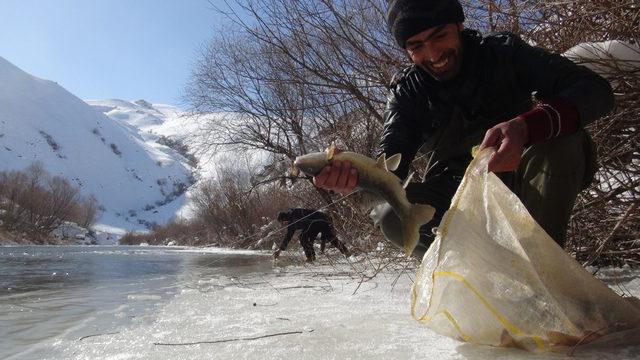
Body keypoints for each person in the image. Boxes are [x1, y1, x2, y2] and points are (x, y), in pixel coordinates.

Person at [313, 0, 613, 258]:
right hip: (455, 196)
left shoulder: (505, 54)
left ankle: (543, 269)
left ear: (458, 24)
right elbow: (391, 161)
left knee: (562, 141)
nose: (432, 54)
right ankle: (476, 275)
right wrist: (359, 177)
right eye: (416, 46)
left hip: (523, 181)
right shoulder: (408, 92)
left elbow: (596, 90)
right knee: (390, 213)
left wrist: (527, 127)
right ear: (406, 52)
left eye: (439, 35)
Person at [273, 208, 351, 262]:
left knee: (330, 238)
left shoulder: (295, 212)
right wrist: (280, 250)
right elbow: (288, 236)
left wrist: (312, 238)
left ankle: (347, 253)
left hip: (321, 220)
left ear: (284, 218)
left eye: (283, 222)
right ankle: (311, 257)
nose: (284, 224)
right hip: (313, 225)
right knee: (303, 237)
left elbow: (308, 215)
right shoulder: (291, 224)